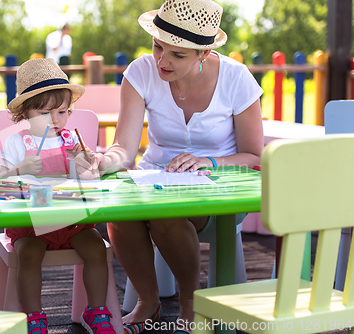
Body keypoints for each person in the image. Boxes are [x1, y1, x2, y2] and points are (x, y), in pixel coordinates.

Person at [76, 0, 264, 333]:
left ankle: (191, 303)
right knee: (119, 213)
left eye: (177, 55)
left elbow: (254, 156)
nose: (162, 60)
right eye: (157, 47)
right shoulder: (140, 72)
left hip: (220, 189)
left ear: (203, 54)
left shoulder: (237, 79)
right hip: (154, 181)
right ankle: (148, 302)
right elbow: (124, 149)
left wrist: (209, 161)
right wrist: (104, 161)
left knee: (165, 213)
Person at [0, 58, 116, 334]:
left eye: (62, 112)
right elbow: (0, 186)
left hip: (70, 220)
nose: (55, 120)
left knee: (97, 247)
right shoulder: (18, 143)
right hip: (31, 225)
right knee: (28, 255)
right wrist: (22, 168)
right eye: (44, 112)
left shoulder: (71, 141)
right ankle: (34, 317)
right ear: (25, 113)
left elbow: (87, 179)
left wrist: (87, 165)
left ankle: (96, 311)